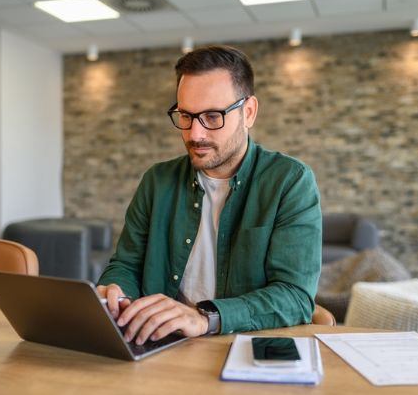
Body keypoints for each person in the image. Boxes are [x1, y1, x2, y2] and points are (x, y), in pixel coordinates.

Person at [97, 45, 321, 345]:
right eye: (186, 115)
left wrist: (205, 318)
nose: (195, 134)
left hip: (239, 343)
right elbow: (126, 265)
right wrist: (116, 291)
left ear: (249, 112)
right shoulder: (156, 180)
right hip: (157, 344)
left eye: (213, 117)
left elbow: (295, 297)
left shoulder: (289, 181)